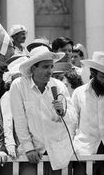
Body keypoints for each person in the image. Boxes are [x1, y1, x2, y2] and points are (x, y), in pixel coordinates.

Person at [9, 46, 77, 174]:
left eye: (51, 67)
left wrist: (63, 112)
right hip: (33, 152)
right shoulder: (18, 85)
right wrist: (28, 148)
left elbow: (73, 118)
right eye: (45, 67)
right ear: (33, 68)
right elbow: (19, 121)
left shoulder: (59, 85)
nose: (50, 71)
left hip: (59, 151)